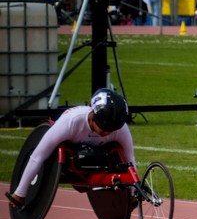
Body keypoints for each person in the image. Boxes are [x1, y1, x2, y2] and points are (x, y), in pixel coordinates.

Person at [7, 89, 135, 210]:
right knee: (47, 151)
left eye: (112, 130)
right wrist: (20, 193)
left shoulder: (120, 128)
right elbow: (37, 156)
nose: (108, 133)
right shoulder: (70, 122)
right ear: (93, 117)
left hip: (98, 157)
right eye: (104, 128)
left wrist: (134, 193)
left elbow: (130, 159)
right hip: (69, 153)